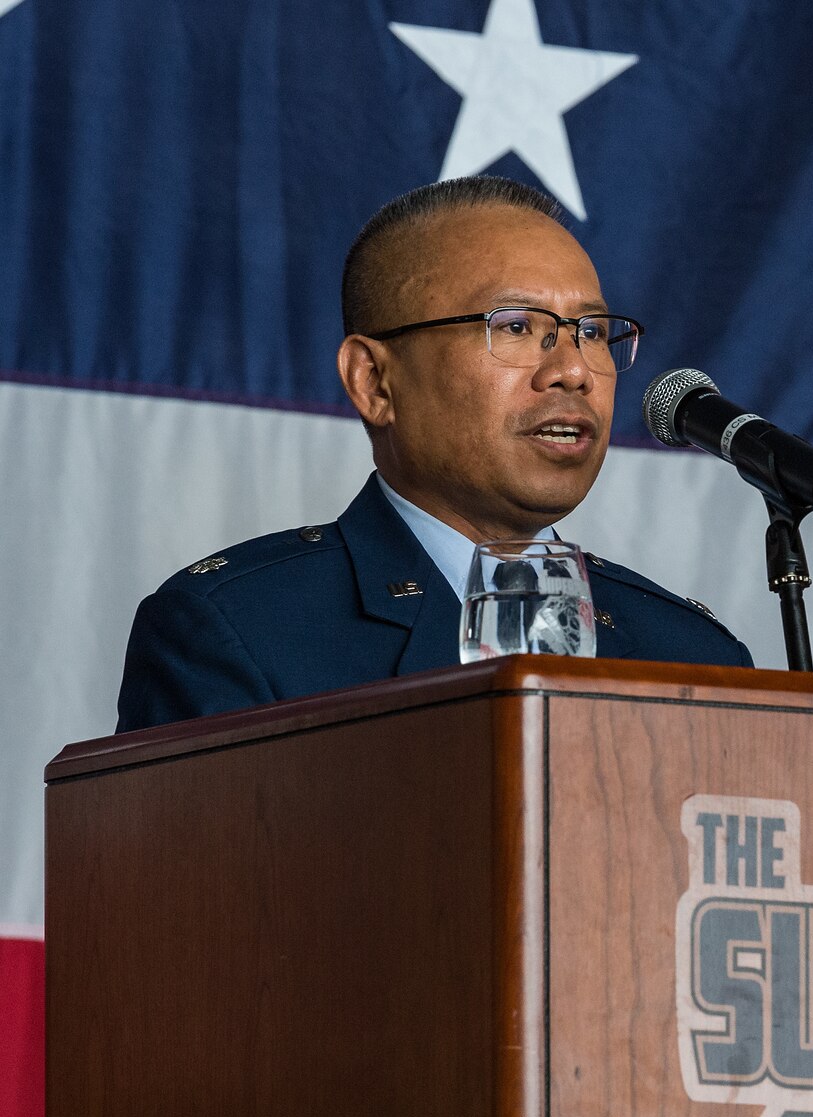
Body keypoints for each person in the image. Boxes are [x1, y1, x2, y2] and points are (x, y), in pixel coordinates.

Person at [117, 176, 748, 732]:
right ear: (374, 381)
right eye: (517, 327)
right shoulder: (246, 633)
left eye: (590, 332)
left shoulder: (694, 656)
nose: (574, 371)